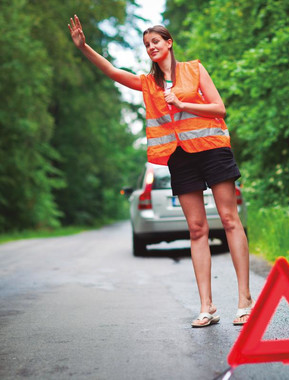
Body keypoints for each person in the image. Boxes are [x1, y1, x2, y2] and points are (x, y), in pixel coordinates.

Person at [68, 15, 253, 327]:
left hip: (213, 149)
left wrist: (182, 103)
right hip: (180, 157)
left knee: (230, 221)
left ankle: (245, 300)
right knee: (196, 230)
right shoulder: (148, 84)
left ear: (169, 43)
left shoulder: (194, 69)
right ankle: (207, 305)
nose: (151, 47)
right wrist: (84, 47)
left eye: (155, 41)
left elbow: (219, 108)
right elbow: (113, 71)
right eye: (146, 45)